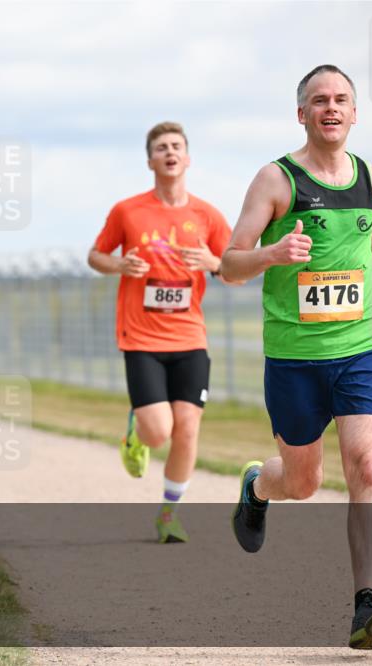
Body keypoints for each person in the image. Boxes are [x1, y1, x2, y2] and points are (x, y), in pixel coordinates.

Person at [221, 65, 372, 650]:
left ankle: (368, 602)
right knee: (304, 482)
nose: (330, 108)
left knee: (367, 465)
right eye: (319, 101)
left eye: (341, 100)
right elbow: (229, 265)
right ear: (302, 114)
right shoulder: (275, 179)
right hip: (294, 358)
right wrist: (274, 252)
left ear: (355, 113)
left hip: (362, 346)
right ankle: (259, 487)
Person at [87, 121, 237, 543]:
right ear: (150, 160)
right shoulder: (128, 211)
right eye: (161, 147)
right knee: (160, 432)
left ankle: (169, 513)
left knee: (187, 427)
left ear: (187, 158)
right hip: (141, 339)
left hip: (190, 338)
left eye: (176, 146)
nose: (169, 152)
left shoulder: (208, 215)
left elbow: (236, 271)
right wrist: (119, 264)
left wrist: (212, 262)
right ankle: (138, 429)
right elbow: (95, 255)